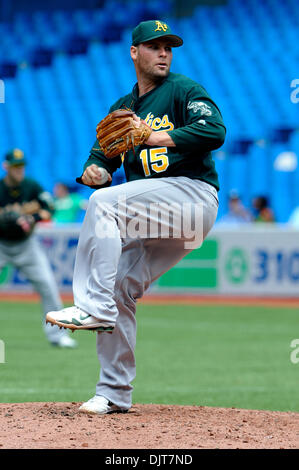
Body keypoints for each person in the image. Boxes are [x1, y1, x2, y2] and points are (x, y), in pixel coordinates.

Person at [46, 20, 226, 413]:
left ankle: (92, 307)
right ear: (134, 52)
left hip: (193, 198)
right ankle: (113, 392)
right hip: (156, 216)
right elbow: (99, 159)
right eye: (154, 46)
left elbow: (214, 130)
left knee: (105, 204)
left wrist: (156, 136)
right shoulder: (122, 110)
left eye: (168, 47)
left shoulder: (183, 89)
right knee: (121, 285)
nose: (164, 53)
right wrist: (94, 171)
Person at [0, 149, 77, 348]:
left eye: (21, 166)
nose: (19, 170)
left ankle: (58, 336)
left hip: (27, 246)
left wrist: (31, 219)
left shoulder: (31, 186)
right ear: (6, 167)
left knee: (48, 286)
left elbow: (50, 207)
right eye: (15, 166)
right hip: (1, 244)